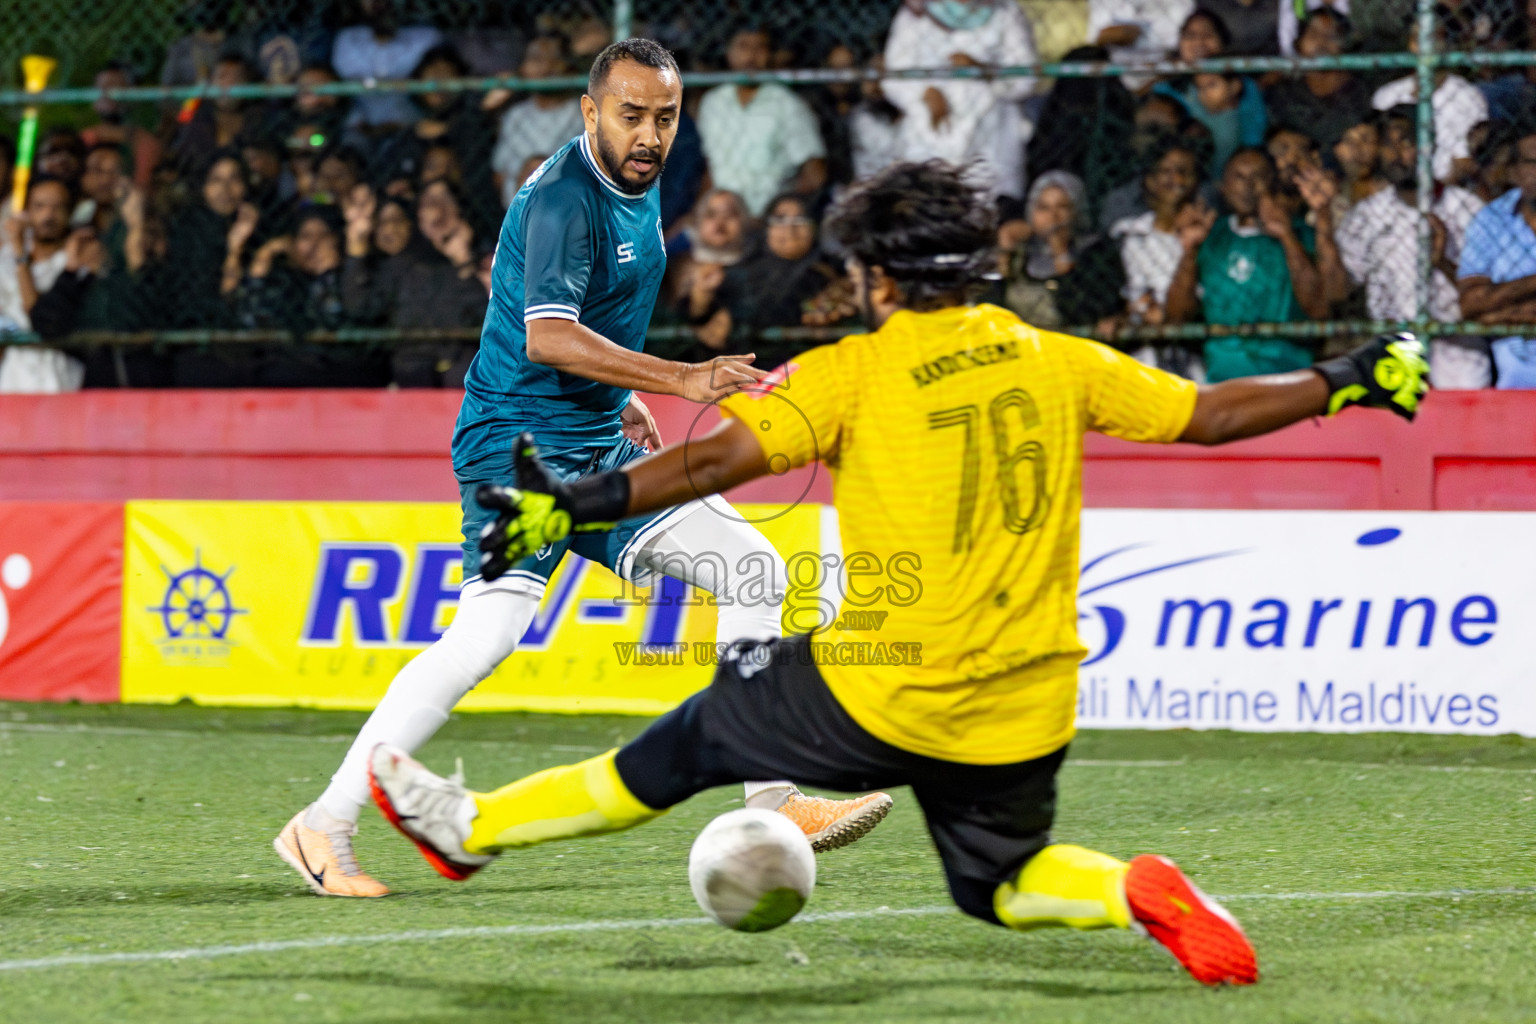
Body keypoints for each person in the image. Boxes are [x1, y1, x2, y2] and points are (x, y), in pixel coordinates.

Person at [368, 160, 1429, 990]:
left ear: (877, 278)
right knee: (1005, 884)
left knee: (682, 745)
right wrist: (1350, 377)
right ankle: (1132, 888)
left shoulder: (855, 371)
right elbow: (1213, 415)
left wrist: (569, 502)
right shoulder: (1057, 357)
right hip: (1028, 700)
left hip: (887, 691)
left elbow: (706, 461)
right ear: (983, 266)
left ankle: (471, 833)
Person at [273, 39, 892, 899]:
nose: (649, 134)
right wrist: (677, 379)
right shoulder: (567, 197)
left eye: (665, 117)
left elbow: (592, 321)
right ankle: (323, 824)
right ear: (590, 111)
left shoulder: (640, 186)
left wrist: (620, 396)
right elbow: (548, 335)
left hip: (593, 441)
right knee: (483, 637)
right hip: (518, 451)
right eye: (631, 114)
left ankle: (776, 801)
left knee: (756, 570)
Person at [1338, 106, 1488, 388]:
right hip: (1393, 343)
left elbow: (1488, 296)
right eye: (1386, 144)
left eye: (1406, 142)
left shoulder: (1468, 209)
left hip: (1457, 346)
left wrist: (1442, 260)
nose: (1395, 154)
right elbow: (1339, 290)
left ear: (1428, 146)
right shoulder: (1367, 215)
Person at [1164, 147, 1331, 380]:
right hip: (1223, 375)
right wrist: (1190, 250)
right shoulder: (1212, 234)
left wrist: (1286, 236)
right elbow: (1176, 317)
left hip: (1287, 373)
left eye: (1258, 177)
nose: (1248, 186)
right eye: (1239, 177)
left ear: (1272, 184)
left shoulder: (1299, 234)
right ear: (1223, 185)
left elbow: (1319, 309)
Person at [882, 0, 1039, 203]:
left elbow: (1026, 80)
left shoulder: (1005, 12)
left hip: (991, 134)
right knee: (926, 206)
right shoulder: (916, 13)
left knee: (987, 210)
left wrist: (983, 70)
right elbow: (892, 76)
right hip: (929, 134)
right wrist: (924, 92)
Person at [694, 192, 842, 363]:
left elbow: (790, 309)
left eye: (801, 219)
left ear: (815, 228)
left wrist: (735, 317)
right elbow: (695, 319)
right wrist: (702, 295)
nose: (790, 228)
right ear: (766, 229)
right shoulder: (741, 270)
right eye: (780, 219)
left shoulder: (829, 273)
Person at [696, 26, 827, 217]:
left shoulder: (787, 104)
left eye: (760, 48)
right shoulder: (712, 103)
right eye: (743, 47)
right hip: (723, 216)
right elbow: (710, 167)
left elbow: (815, 173)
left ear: (770, 55)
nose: (751, 55)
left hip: (765, 217)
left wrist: (777, 214)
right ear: (729, 53)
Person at [1109, 136, 1207, 377]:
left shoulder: (1209, 236)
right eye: (1166, 171)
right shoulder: (1128, 235)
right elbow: (1128, 296)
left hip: (1195, 355)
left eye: (1184, 171)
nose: (1177, 179)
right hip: (1140, 355)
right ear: (1150, 180)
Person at [1457, 120, 1536, 388]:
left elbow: (1484, 309)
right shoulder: (1492, 219)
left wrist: (1500, 314)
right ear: (1513, 172)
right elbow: (1470, 304)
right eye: (1531, 162)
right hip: (1514, 386)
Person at [1002, 170, 1126, 332]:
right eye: (1043, 208)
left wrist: (1061, 256)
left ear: (1077, 210)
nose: (1053, 217)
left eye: (1062, 207)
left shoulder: (1096, 253)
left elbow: (1086, 314)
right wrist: (1005, 250)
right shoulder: (1019, 254)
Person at [0, 176, 93, 392]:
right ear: (26, 212)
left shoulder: (79, 260)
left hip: (64, 379)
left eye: (58, 207)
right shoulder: (4, 261)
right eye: (39, 206)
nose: (48, 216)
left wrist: (19, 255)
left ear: (71, 212)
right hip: (13, 379)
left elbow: (41, 319)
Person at [1370, 13, 1487, 184]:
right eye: (1416, 38)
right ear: (1410, 44)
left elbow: (1465, 164)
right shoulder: (1386, 96)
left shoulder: (1467, 97)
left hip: (1448, 190)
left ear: (1446, 45)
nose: (1423, 45)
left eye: (1432, 37)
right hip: (1393, 187)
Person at [491, 30, 586, 209]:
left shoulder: (583, 113)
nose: (547, 66)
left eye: (554, 58)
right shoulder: (515, 116)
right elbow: (500, 175)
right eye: (536, 58)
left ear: (568, 65)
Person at [1263, 7, 1371, 154]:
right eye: (1313, 34)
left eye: (1332, 36)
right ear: (1298, 45)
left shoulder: (1365, 92)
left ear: (1345, 46)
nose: (1322, 42)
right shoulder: (1282, 96)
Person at [330, 0, 444, 131]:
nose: (381, 3)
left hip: (415, 128)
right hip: (358, 130)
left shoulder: (429, 38)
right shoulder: (347, 39)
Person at [80, 61, 163, 191]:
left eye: (115, 88)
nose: (106, 94)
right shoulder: (83, 139)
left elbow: (143, 185)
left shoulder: (145, 144)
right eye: (101, 87)